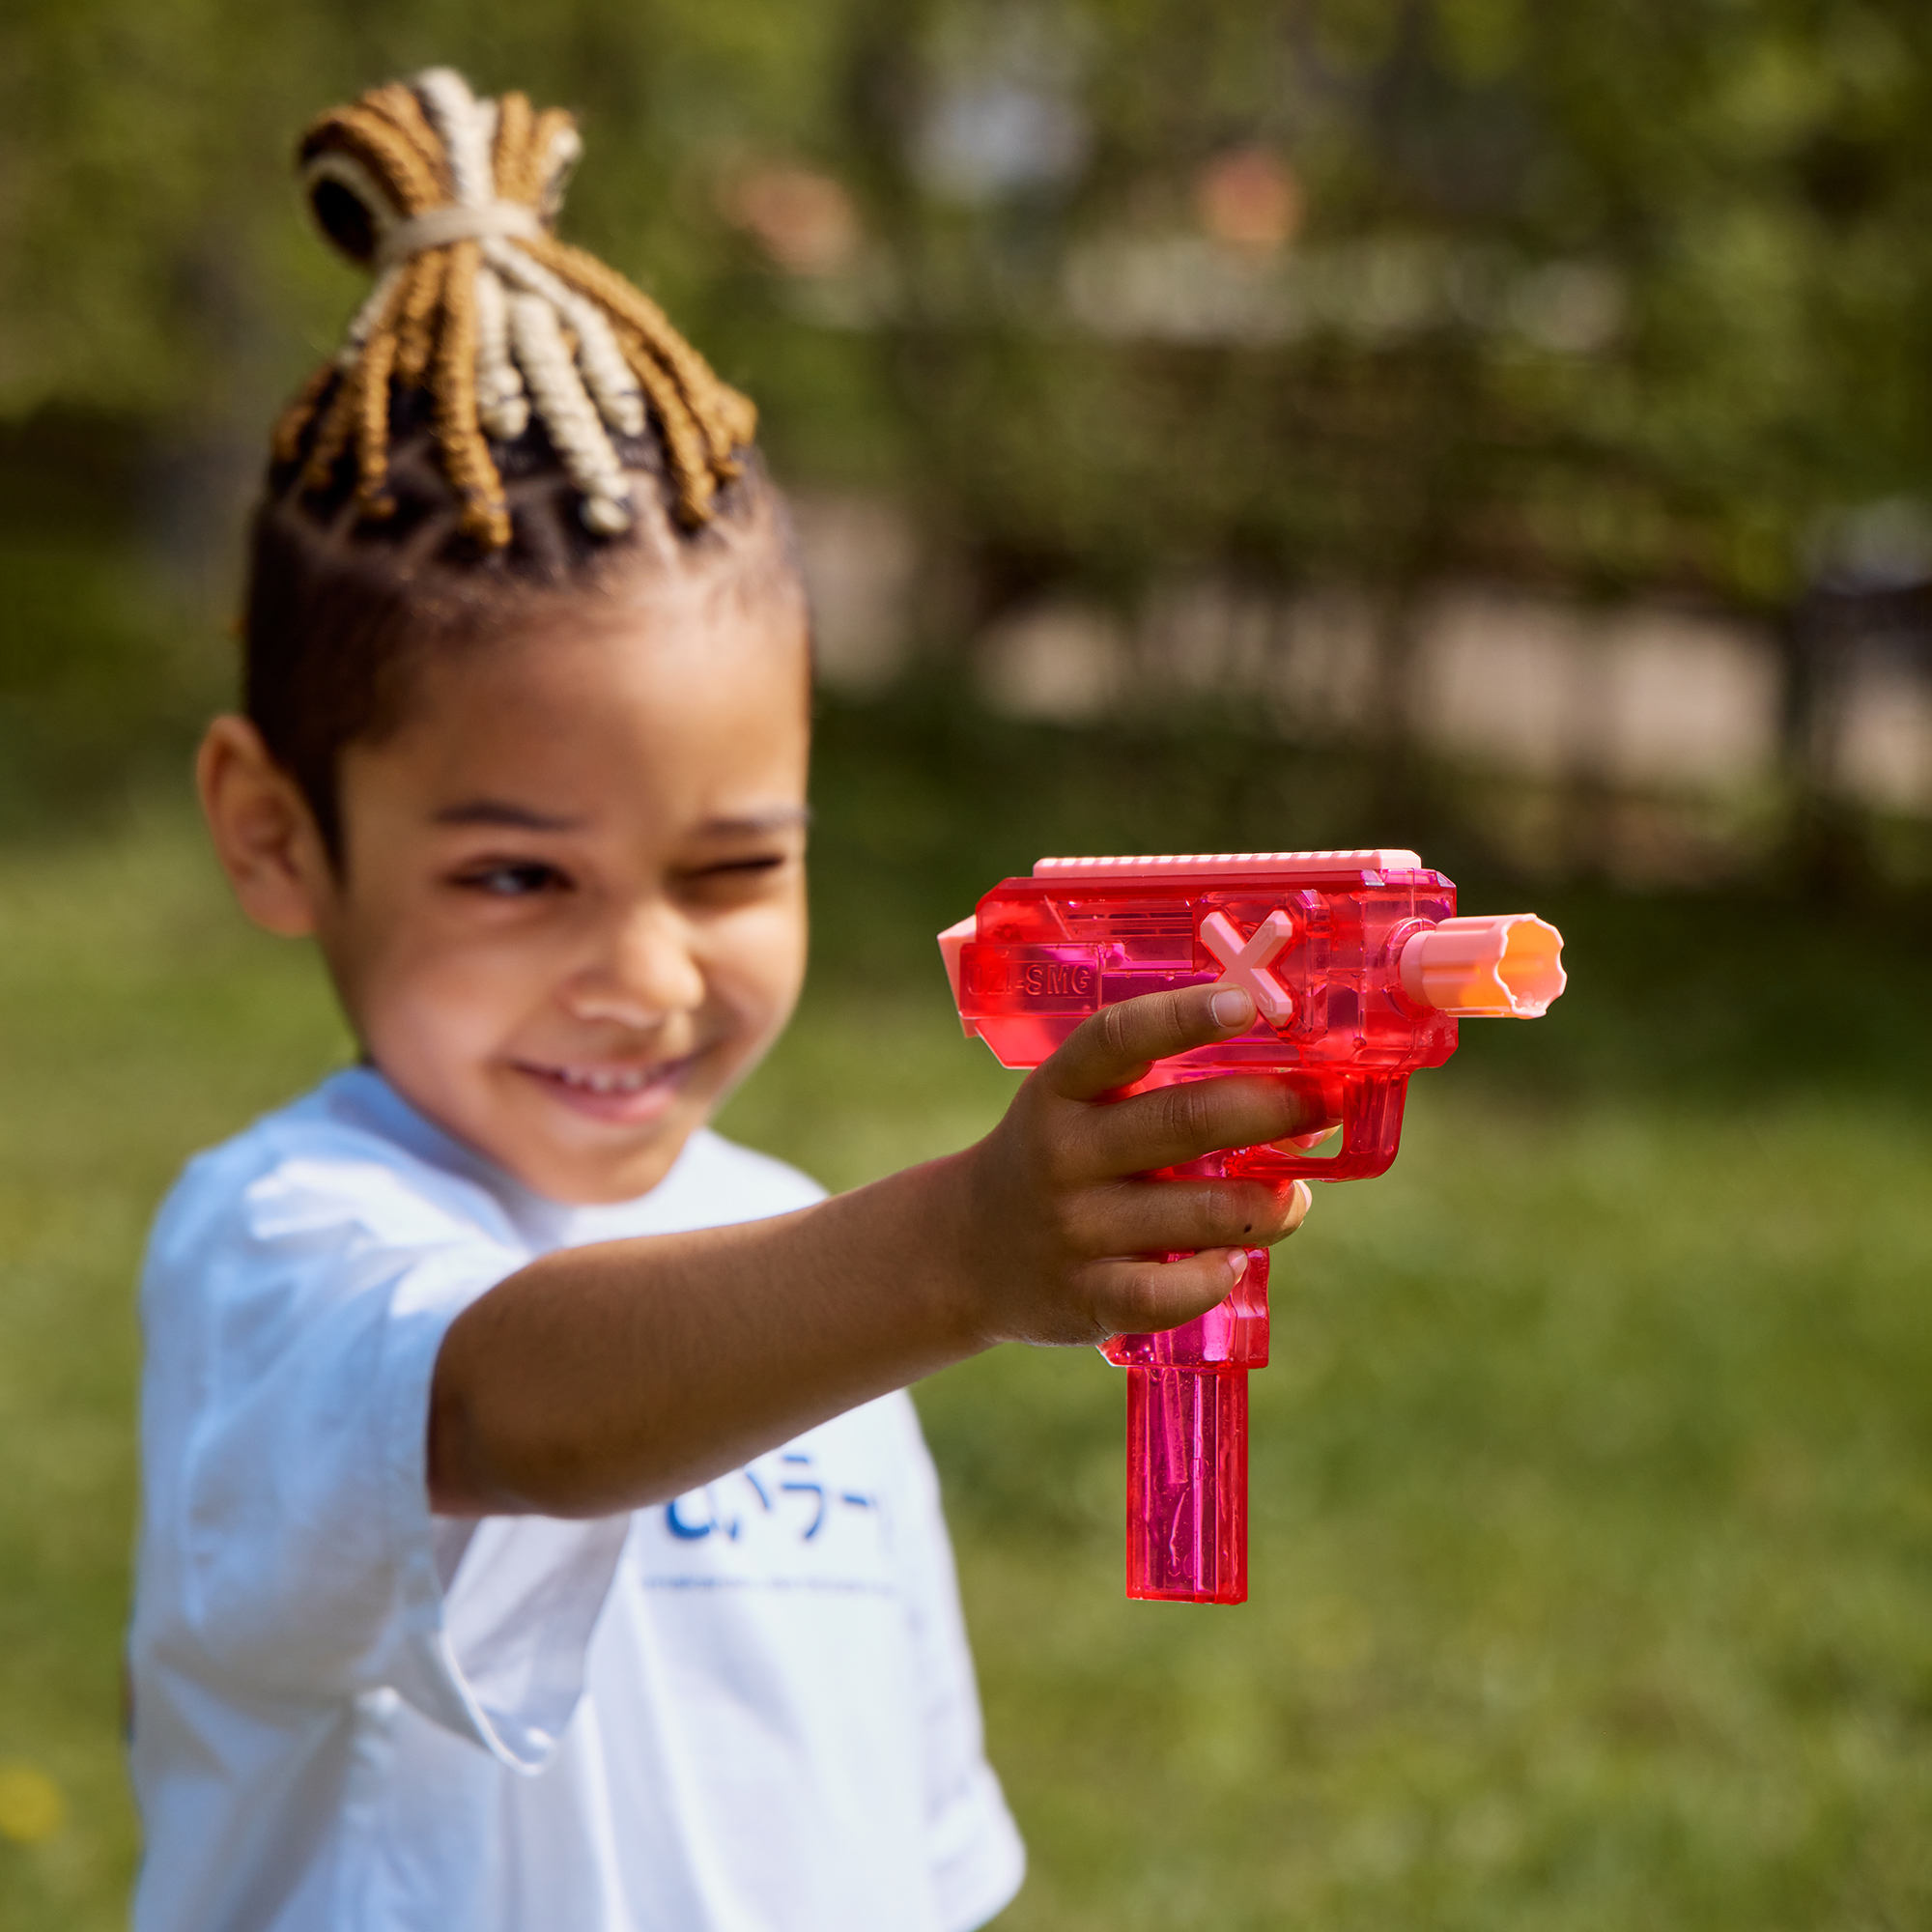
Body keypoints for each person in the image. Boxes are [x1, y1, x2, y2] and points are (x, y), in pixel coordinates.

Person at [127, 69, 1315, 1932]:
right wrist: (956, 1257)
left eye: (736, 867)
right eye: (521, 877)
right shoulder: (283, 1247)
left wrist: (935, 1270)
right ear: (276, 837)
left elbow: (902, 1857)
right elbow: (523, 1410)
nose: (653, 974)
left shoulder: (804, 1265)